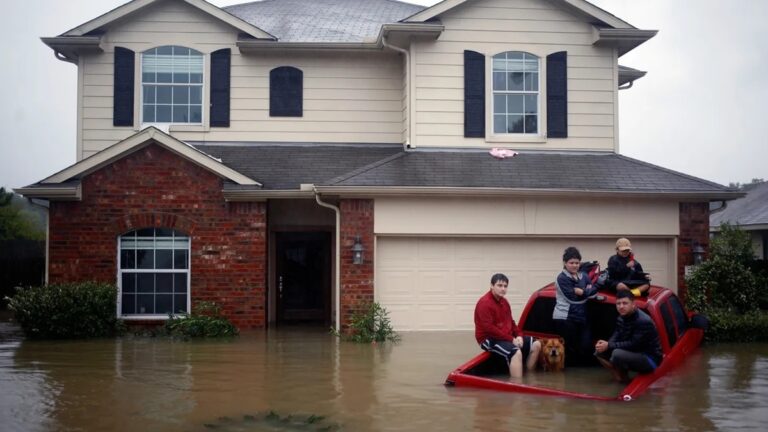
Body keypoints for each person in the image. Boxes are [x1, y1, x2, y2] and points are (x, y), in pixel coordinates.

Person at [474, 273, 541, 378]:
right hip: (488, 339)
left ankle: (529, 377)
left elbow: (511, 322)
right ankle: (517, 384)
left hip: (505, 336)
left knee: (536, 344)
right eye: (499, 285)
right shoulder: (484, 303)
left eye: (505, 286)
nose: (503, 289)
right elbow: (489, 329)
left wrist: (519, 335)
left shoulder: (504, 302)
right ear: (491, 286)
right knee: (516, 352)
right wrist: (511, 339)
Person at [594, 290, 663, 382]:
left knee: (617, 354)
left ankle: (623, 379)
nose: (621, 306)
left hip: (649, 358)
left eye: (625, 303)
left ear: (633, 304)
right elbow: (616, 335)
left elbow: (634, 344)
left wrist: (609, 345)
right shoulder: (621, 317)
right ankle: (620, 377)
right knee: (599, 351)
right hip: (633, 352)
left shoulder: (643, 321)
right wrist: (606, 345)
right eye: (618, 304)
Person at [553, 246, 598, 366]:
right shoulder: (561, 278)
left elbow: (594, 291)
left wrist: (582, 292)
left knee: (585, 347)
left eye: (577, 263)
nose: (574, 265)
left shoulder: (584, 275)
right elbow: (572, 299)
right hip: (565, 317)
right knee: (570, 351)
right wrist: (587, 292)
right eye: (571, 263)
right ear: (565, 263)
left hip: (582, 316)